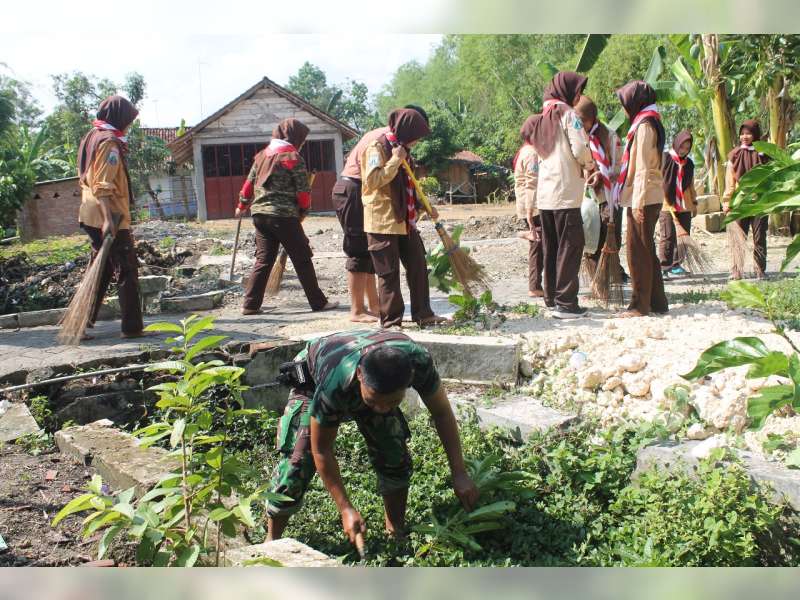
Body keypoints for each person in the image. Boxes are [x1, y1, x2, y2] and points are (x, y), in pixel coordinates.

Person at [264, 329, 479, 545]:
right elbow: (322, 448)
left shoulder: (418, 362)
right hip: (314, 378)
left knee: (393, 450)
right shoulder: (335, 382)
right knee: (298, 461)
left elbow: (442, 412)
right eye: (375, 401)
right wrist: (345, 508)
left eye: (392, 402)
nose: (382, 409)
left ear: (409, 380)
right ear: (359, 375)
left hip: (367, 368)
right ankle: (271, 541)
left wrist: (459, 472)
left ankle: (396, 532)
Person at [237, 119, 338, 315]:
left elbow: (248, 184)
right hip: (283, 216)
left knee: (263, 260)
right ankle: (319, 303)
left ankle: (250, 305)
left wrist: (241, 205)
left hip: (259, 215)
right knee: (302, 258)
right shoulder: (292, 157)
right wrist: (304, 209)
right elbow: (303, 191)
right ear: (295, 137)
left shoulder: (261, 156)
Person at [361, 108, 448, 329]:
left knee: (418, 265)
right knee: (388, 274)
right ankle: (391, 322)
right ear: (405, 131)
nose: (418, 141)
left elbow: (408, 184)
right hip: (382, 221)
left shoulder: (404, 150)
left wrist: (424, 206)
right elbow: (372, 181)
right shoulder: (377, 147)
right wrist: (394, 161)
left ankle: (424, 314)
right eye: (415, 136)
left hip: (405, 221)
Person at [528, 71, 597, 319]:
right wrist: (590, 165)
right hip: (565, 191)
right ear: (567, 91)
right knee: (570, 245)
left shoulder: (542, 117)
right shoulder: (568, 114)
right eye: (577, 91)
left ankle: (551, 297)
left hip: (546, 195)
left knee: (552, 246)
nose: (578, 96)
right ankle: (566, 303)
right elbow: (579, 147)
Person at [76, 95, 145, 340]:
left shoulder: (91, 137)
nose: (129, 125)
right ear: (120, 118)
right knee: (127, 270)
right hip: (109, 215)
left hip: (89, 212)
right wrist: (108, 220)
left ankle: (81, 321)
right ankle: (132, 328)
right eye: (129, 120)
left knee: (102, 268)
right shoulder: (109, 143)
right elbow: (103, 185)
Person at [614, 80, 668, 318]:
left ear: (635, 102)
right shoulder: (649, 121)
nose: (624, 109)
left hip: (644, 195)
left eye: (625, 103)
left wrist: (637, 203)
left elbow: (644, 168)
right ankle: (657, 302)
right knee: (647, 248)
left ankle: (639, 305)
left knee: (638, 251)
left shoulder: (645, 126)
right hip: (649, 194)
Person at [574, 96, 626, 282]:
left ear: (591, 118)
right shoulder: (577, 137)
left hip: (608, 197)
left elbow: (621, 165)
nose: (578, 124)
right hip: (586, 198)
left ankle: (610, 275)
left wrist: (605, 175)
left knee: (608, 237)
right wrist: (588, 174)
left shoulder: (610, 136)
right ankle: (597, 279)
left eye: (581, 120)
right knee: (590, 239)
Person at [723, 120, 768, 280]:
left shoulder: (764, 154)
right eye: (742, 133)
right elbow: (730, 182)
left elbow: (771, 178)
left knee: (759, 237)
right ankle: (737, 270)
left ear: (755, 134)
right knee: (738, 238)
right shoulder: (734, 155)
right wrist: (727, 202)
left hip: (759, 203)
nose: (744, 136)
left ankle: (760, 270)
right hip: (740, 203)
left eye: (748, 133)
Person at [659, 130, 697, 278]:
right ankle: (664, 266)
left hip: (684, 205)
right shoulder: (665, 159)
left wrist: (694, 203)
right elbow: (658, 180)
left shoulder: (689, 164)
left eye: (687, 148)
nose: (684, 151)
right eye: (682, 147)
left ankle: (676, 264)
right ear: (676, 144)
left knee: (683, 236)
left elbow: (691, 185)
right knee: (668, 235)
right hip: (666, 204)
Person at [513, 115, 544, 298]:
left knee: (537, 243)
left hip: (528, 205)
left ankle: (536, 284)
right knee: (537, 244)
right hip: (533, 205)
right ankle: (534, 285)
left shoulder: (525, 150)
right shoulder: (532, 153)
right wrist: (531, 211)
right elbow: (532, 183)